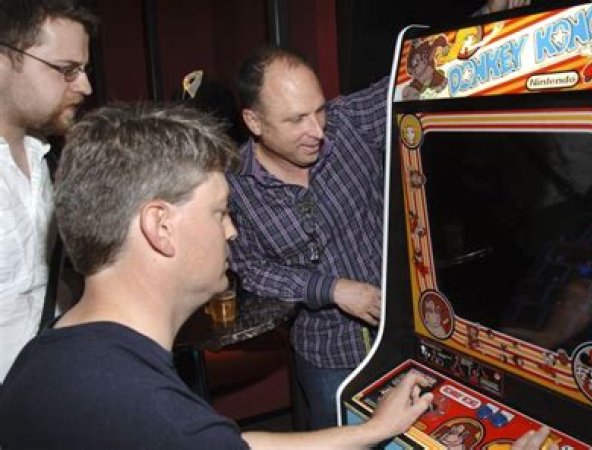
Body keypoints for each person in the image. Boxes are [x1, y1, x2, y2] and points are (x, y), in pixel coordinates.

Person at [0, 102, 435, 449]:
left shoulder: (47, 354)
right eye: (220, 212)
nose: (231, 231)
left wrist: (369, 431)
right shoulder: (156, 418)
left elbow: (230, 442)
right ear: (160, 228)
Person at [227, 45, 387, 429]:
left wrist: (489, 25)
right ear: (254, 121)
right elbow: (251, 269)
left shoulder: (349, 123)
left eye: (319, 110)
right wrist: (330, 289)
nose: (317, 131)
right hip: (328, 356)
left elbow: (419, 76)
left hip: (402, 338)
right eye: (297, 119)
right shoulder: (234, 188)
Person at [0, 0, 96, 383]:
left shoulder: (51, 160)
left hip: (53, 390)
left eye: (84, 70)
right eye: (66, 70)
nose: (85, 86)